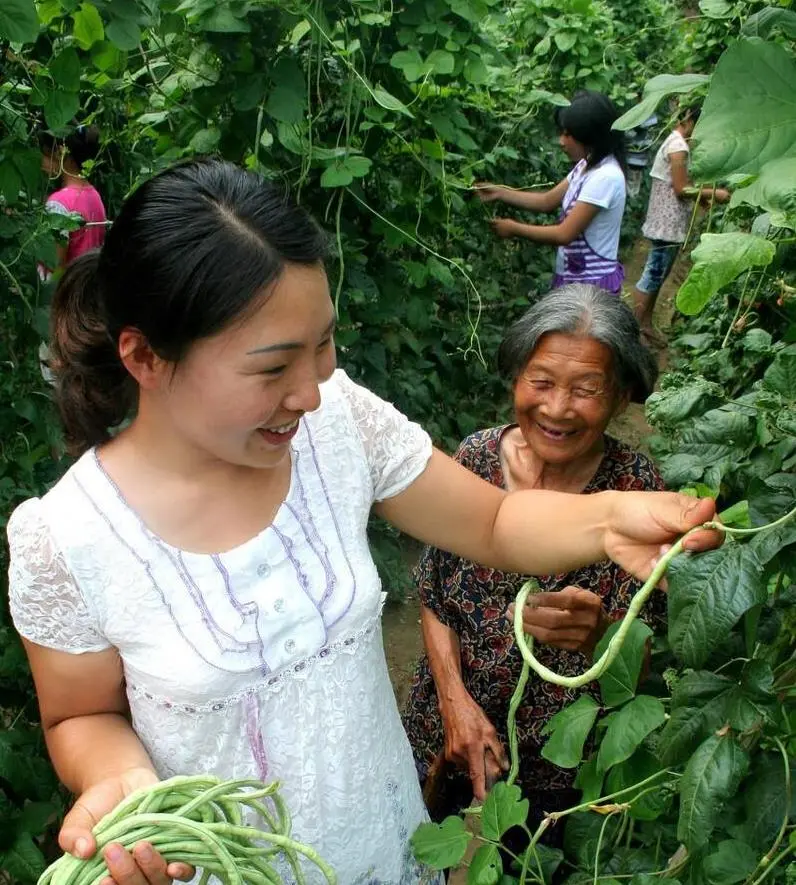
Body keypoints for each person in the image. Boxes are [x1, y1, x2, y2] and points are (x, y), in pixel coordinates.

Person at [7, 160, 717, 885]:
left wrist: (609, 517)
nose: (311, 391)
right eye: (273, 366)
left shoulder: (339, 424)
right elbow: (78, 716)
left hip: (384, 846)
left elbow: (497, 522)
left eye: (323, 343)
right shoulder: (65, 539)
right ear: (146, 357)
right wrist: (122, 779)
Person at [402, 285, 666, 845]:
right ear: (516, 377)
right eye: (541, 381)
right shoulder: (473, 460)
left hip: (555, 759)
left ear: (620, 398)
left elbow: (646, 661)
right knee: (414, 843)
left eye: (587, 390)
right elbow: (434, 593)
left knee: (529, 860)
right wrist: (454, 703)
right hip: (447, 719)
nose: (556, 408)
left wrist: (601, 638)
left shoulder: (635, 492)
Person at [475, 91, 627, 295]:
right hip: (575, 280)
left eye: (568, 134)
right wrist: (499, 193)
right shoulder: (586, 165)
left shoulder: (605, 177)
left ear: (590, 136)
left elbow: (564, 234)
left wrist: (513, 228)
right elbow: (547, 201)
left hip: (591, 289)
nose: (561, 141)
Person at [632, 104, 730, 343]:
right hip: (667, 222)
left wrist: (702, 196)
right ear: (688, 120)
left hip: (666, 220)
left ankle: (643, 324)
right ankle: (632, 330)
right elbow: (681, 188)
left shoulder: (675, 143)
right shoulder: (678, 148)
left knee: (658, 272)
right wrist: (714, 194)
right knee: (654, 272)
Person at [39, 124, 107, 272]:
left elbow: (55, 266)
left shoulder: (58, 203)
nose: (42, 162)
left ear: (62, 155)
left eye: (46, 154)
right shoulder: (94, 195)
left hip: (65, 290)